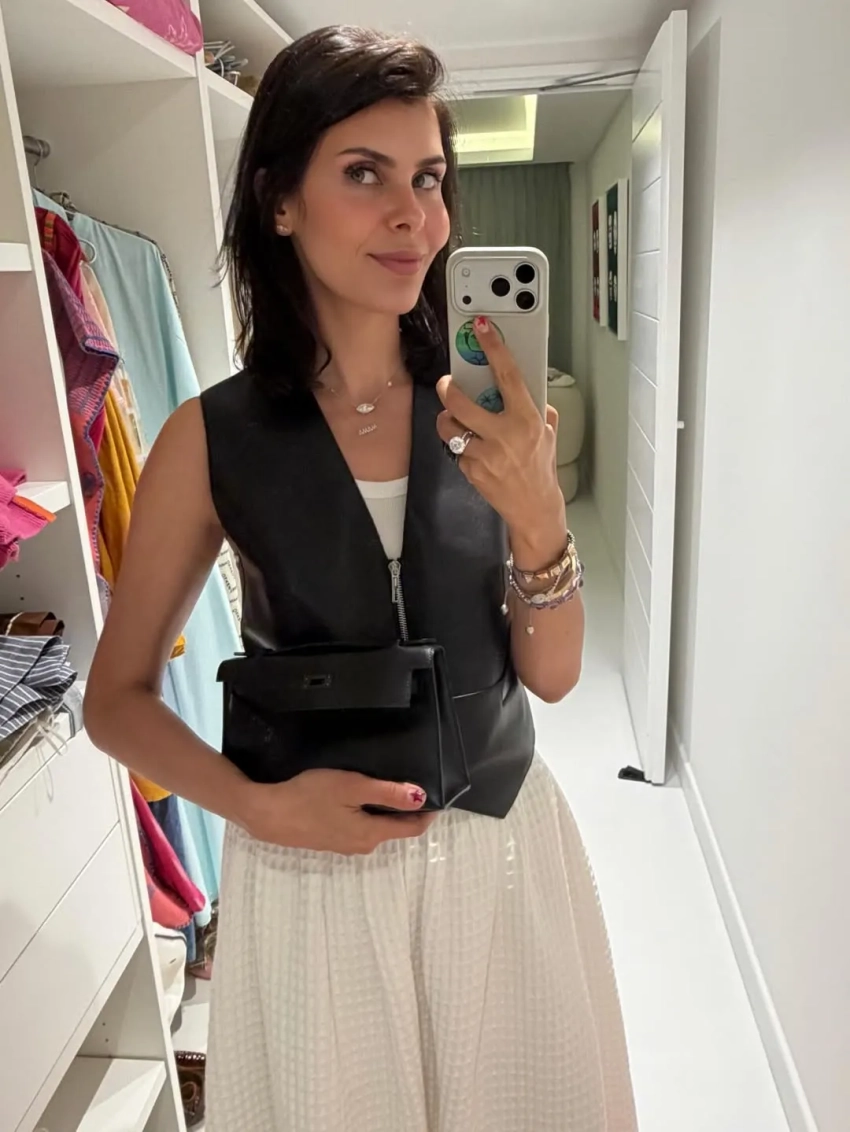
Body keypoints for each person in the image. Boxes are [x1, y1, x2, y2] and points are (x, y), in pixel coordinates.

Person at [84, 25, 637, 1132]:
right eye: (364, 174)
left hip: (497, 850)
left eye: (428, 178)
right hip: (313, 883)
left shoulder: (488, 410)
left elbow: (554, 676)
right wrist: (256, 806)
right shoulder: (211, 438)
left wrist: (537, 518)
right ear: (280, 201)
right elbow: (114, 701)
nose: (413, 216)